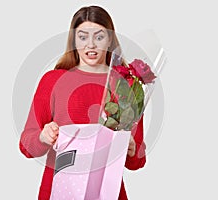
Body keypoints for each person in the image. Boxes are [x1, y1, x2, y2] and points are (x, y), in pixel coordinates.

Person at [19, 5, 146, 200]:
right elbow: (26, 145)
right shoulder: (52, 81)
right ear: (73, 40)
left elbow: (137, 161)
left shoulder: (126, 85)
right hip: (59, 191)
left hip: (108, 192)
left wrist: (130, 149)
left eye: (99, 37)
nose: (91, 45)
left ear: (110, 39)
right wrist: (43, 137)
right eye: (83, 37)